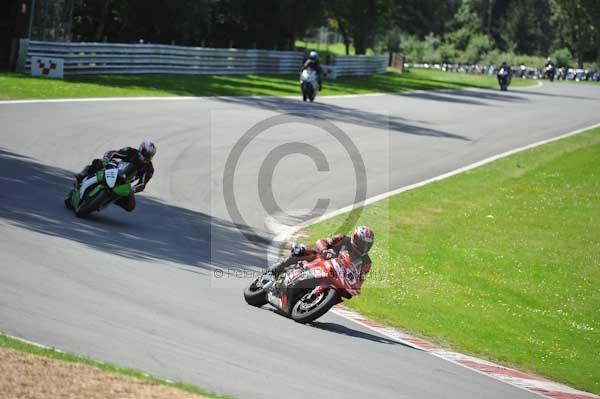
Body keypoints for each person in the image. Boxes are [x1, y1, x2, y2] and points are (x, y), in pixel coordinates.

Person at [65, 140, 156, 212]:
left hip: (124, 184)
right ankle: (81, 176)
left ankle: (110, 199)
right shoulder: (130, 151)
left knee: (131, 206)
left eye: (149, 156)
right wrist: (106, 160)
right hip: (114, 170)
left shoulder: (149, 169)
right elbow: (113, 153)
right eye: (145, 154)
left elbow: (142, 184)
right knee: (97, 162)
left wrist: (133, 189)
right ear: (141, 149)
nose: (146, 158)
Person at [269, 226, 374, 284]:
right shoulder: (343, 239)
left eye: (366, 245)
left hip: (335, 276)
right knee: (302, 251)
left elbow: (360, 280)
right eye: (361, 243)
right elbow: (321, 241)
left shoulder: (366, 262)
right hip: (321, 260)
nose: (363, 247)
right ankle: (279, 267)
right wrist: (324, 250)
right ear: (354, 238)